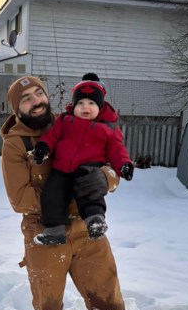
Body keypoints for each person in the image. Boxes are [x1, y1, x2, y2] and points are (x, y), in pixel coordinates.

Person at [0, 75, 140, 310]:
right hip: (44, 232)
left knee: (110, 307)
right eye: (26, 99)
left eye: (39, 93)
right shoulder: (15, 143)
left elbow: (111, 161)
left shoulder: (74, 120)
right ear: (17, 108)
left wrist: (107, 179)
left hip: (86, 229)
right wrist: (68, 199)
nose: (36, 101)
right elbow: (19, 198)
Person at [31, 74, 134, 245]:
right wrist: (43, 147)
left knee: (92, 187)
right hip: (62, 169)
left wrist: (124, 164)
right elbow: (52, 136)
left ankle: (95, 221)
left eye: (91, 103)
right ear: (74, 105)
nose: (85, 107)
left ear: (100, 107)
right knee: (52, 192)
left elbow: (117, 150)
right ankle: (55, 230)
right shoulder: (65, 120)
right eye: (81, 103)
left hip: (89, 168)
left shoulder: (107, 128)